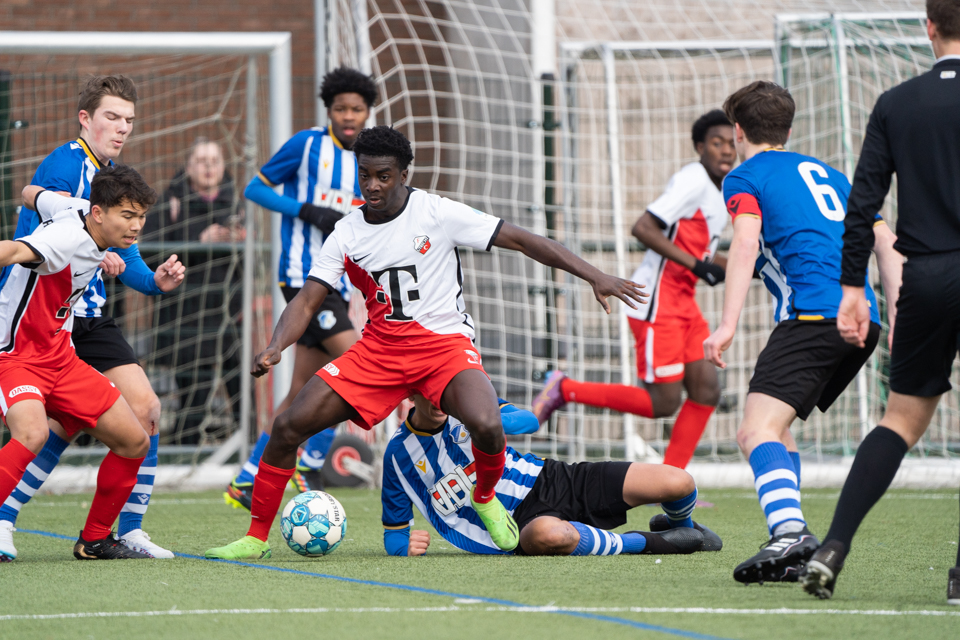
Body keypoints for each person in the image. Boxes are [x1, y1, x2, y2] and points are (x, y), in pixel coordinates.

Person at [204, 125, 647, 560]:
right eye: (365, 175)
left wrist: (596, 275)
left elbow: (524, 239)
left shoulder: (437, 212)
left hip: (443, 347)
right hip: (379, 352)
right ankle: (256, 538)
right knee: (286, 429)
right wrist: (276, 345)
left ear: (403, 174)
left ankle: (486, 496)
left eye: (384, 176)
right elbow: (306, 299)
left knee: (488, 426)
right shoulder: (347, 232)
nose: (372, 186)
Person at [701, 81, 901, 584]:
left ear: (739, 131)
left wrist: (726, 325)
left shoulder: (743, 176)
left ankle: (789, 532)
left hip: (813, 317)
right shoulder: (831, 176)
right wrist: (897, 320)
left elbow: (745, 243)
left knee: (753, 431)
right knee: (779, 426)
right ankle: (791, 538)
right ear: (789, 129)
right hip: (863, 320)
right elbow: (888, 244)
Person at [801, 0, 960, 604]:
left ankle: (834, 547)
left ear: (930, 28)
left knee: (900, 420)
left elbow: (861, 205)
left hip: (924, 280)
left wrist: (851, 289)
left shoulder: (896, 103)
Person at [0, 76, 184, 561]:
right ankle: (4, 517)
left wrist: (153, 280)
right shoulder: (66, 170)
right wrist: (83, 250)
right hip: (29, 333)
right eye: (112, 117)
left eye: (128, 120)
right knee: (38, 430)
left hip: (75, 327)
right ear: (85, 118)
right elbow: (33, 237)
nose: (121, 128)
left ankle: (115, 533)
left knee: (140, 421)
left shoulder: (110, 185)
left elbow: (30, 194)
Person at [532, 110, 735, 470]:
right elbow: (643, 228)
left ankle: (673, 484)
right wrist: (696, 265)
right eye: (716, 143)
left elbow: (705, 256)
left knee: (707, 390)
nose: (726, 151)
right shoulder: (692, 179)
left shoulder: (723, 194)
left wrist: (751, 268)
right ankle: (564, 388)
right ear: (700, 147)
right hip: (654, 304)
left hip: (684, 304)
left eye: (731, 144)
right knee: (664, 404)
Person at [225, 67, 376, 508]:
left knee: (300, 393)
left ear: (367, 113)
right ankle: (308, 460)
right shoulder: (306, 145)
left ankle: (249, 478)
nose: (348, 116)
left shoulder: (368, 160)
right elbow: (255, 188)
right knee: (359, 366)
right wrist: (306, 211)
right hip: (304, 279)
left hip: (342, 285)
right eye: (341, 108)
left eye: (357, 109)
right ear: (328, 109)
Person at [0, 168, 159, 560]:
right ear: (99, 212)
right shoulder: (65, 239)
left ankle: (95, 540)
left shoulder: (75, 208)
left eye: (140, 216)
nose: (136, 226)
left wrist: (35, 196)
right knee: (32, 433)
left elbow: (29, 191)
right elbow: (16, 251)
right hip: (15, 358)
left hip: (62, 360)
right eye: (127, 216)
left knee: (134, 440)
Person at [383, 395, 719, 557]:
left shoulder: (466, 397)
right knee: (551, 535)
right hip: (519, 527)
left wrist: (493, 417)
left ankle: (685, 528)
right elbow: (394, 533)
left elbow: (528, 421)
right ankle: (649, 542)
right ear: (409, 390)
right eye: (427, 386)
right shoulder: (398, 456)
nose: (438, 394)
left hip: (555, 478)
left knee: (679, 482)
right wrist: (403, 545)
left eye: (441, 383)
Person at [142, 138, 244, 442]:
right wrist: (198, 242)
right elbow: (150, 254)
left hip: (228, 309)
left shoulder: (235, 202)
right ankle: (185, 447)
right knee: (194, 387)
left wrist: (241, 239)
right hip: (185, 314)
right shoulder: (172, 202)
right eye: (201, 160)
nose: (209, 166)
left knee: (240, 378)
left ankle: (250, 443)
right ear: (188, 168)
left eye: (215, 160)